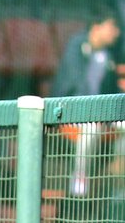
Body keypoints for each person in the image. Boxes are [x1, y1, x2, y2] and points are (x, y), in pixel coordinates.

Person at [52, 10, 121, 195]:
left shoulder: (108, 55)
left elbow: (113, 90)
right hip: (72, 111)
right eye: (112, 27)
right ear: (96, 27)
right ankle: (79, 180)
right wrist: (94, 113)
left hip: (102, 114)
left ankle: (123, 185)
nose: (116, 32)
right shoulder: (76, 46)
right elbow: (76, 83)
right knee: (91, 129)